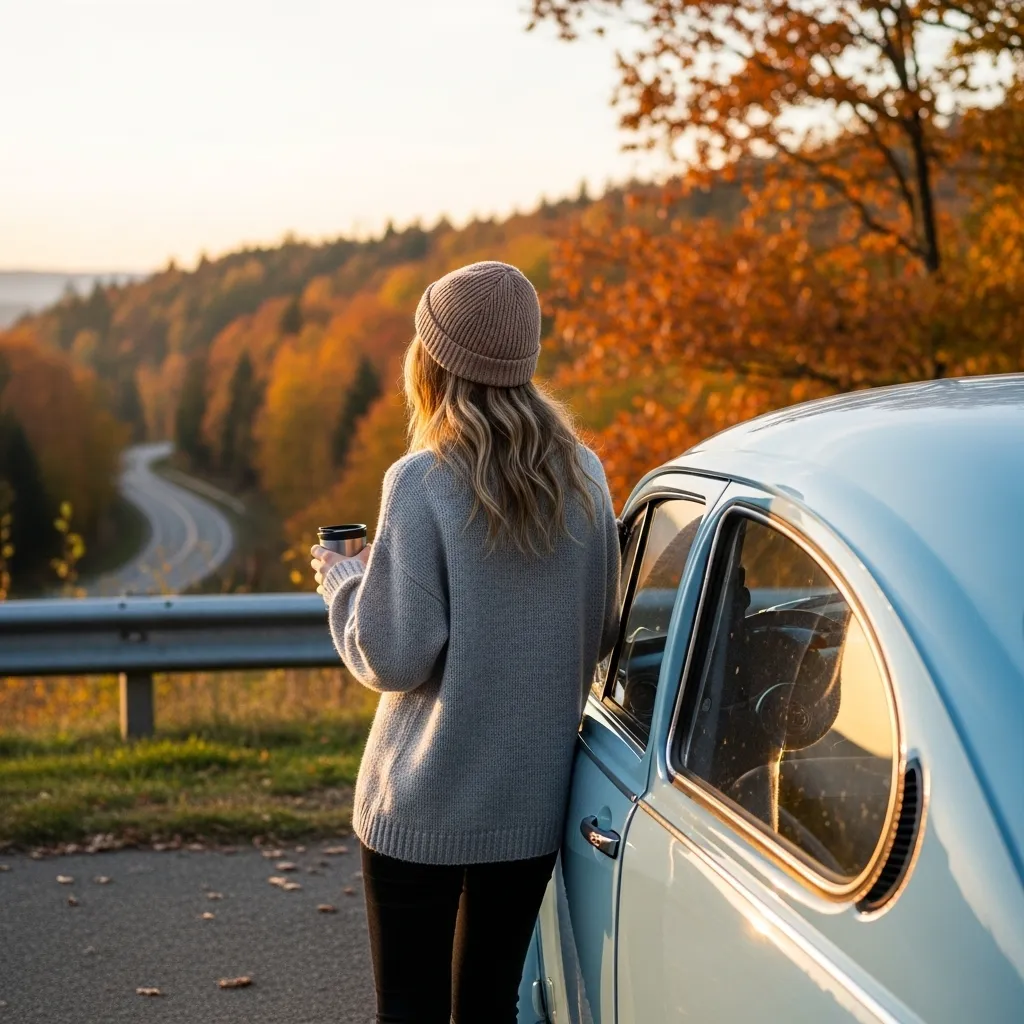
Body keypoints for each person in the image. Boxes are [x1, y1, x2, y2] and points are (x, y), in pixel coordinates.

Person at [310, 260, 620, 1023]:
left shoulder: (420, 481)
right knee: (488, 1009)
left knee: (409, 1012)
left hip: (421, 805)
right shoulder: (586, 475)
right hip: (529, 803)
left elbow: (392, 656)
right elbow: (601, 624)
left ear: (433, 360)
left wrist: (344, 582)